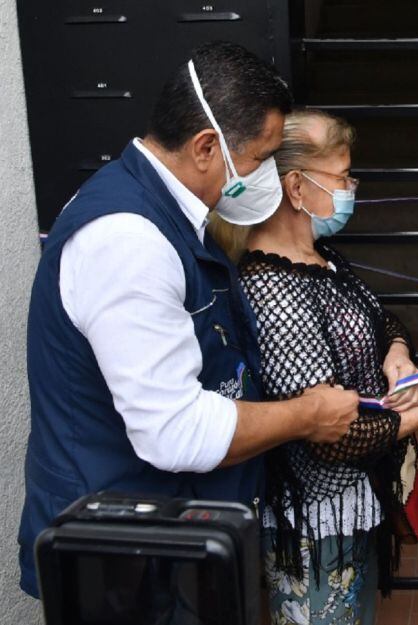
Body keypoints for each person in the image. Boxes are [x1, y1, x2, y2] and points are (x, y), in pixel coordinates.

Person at [18, 42, 364, 598]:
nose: (268, 178)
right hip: (121, 560)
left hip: (170, 543)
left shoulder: (165, 213)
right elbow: (175, 432)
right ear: (207, 147)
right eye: (259, 159)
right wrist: (305, 415)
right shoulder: (127, 240)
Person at [216, 109, 418, 625]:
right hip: (313, 526)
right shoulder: (273, 289)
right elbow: (334, 438)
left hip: (353, 505)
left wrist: (397, 355)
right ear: (296, 186)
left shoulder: (323, 257)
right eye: (342, 177)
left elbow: (381, 319)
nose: (350, 189)